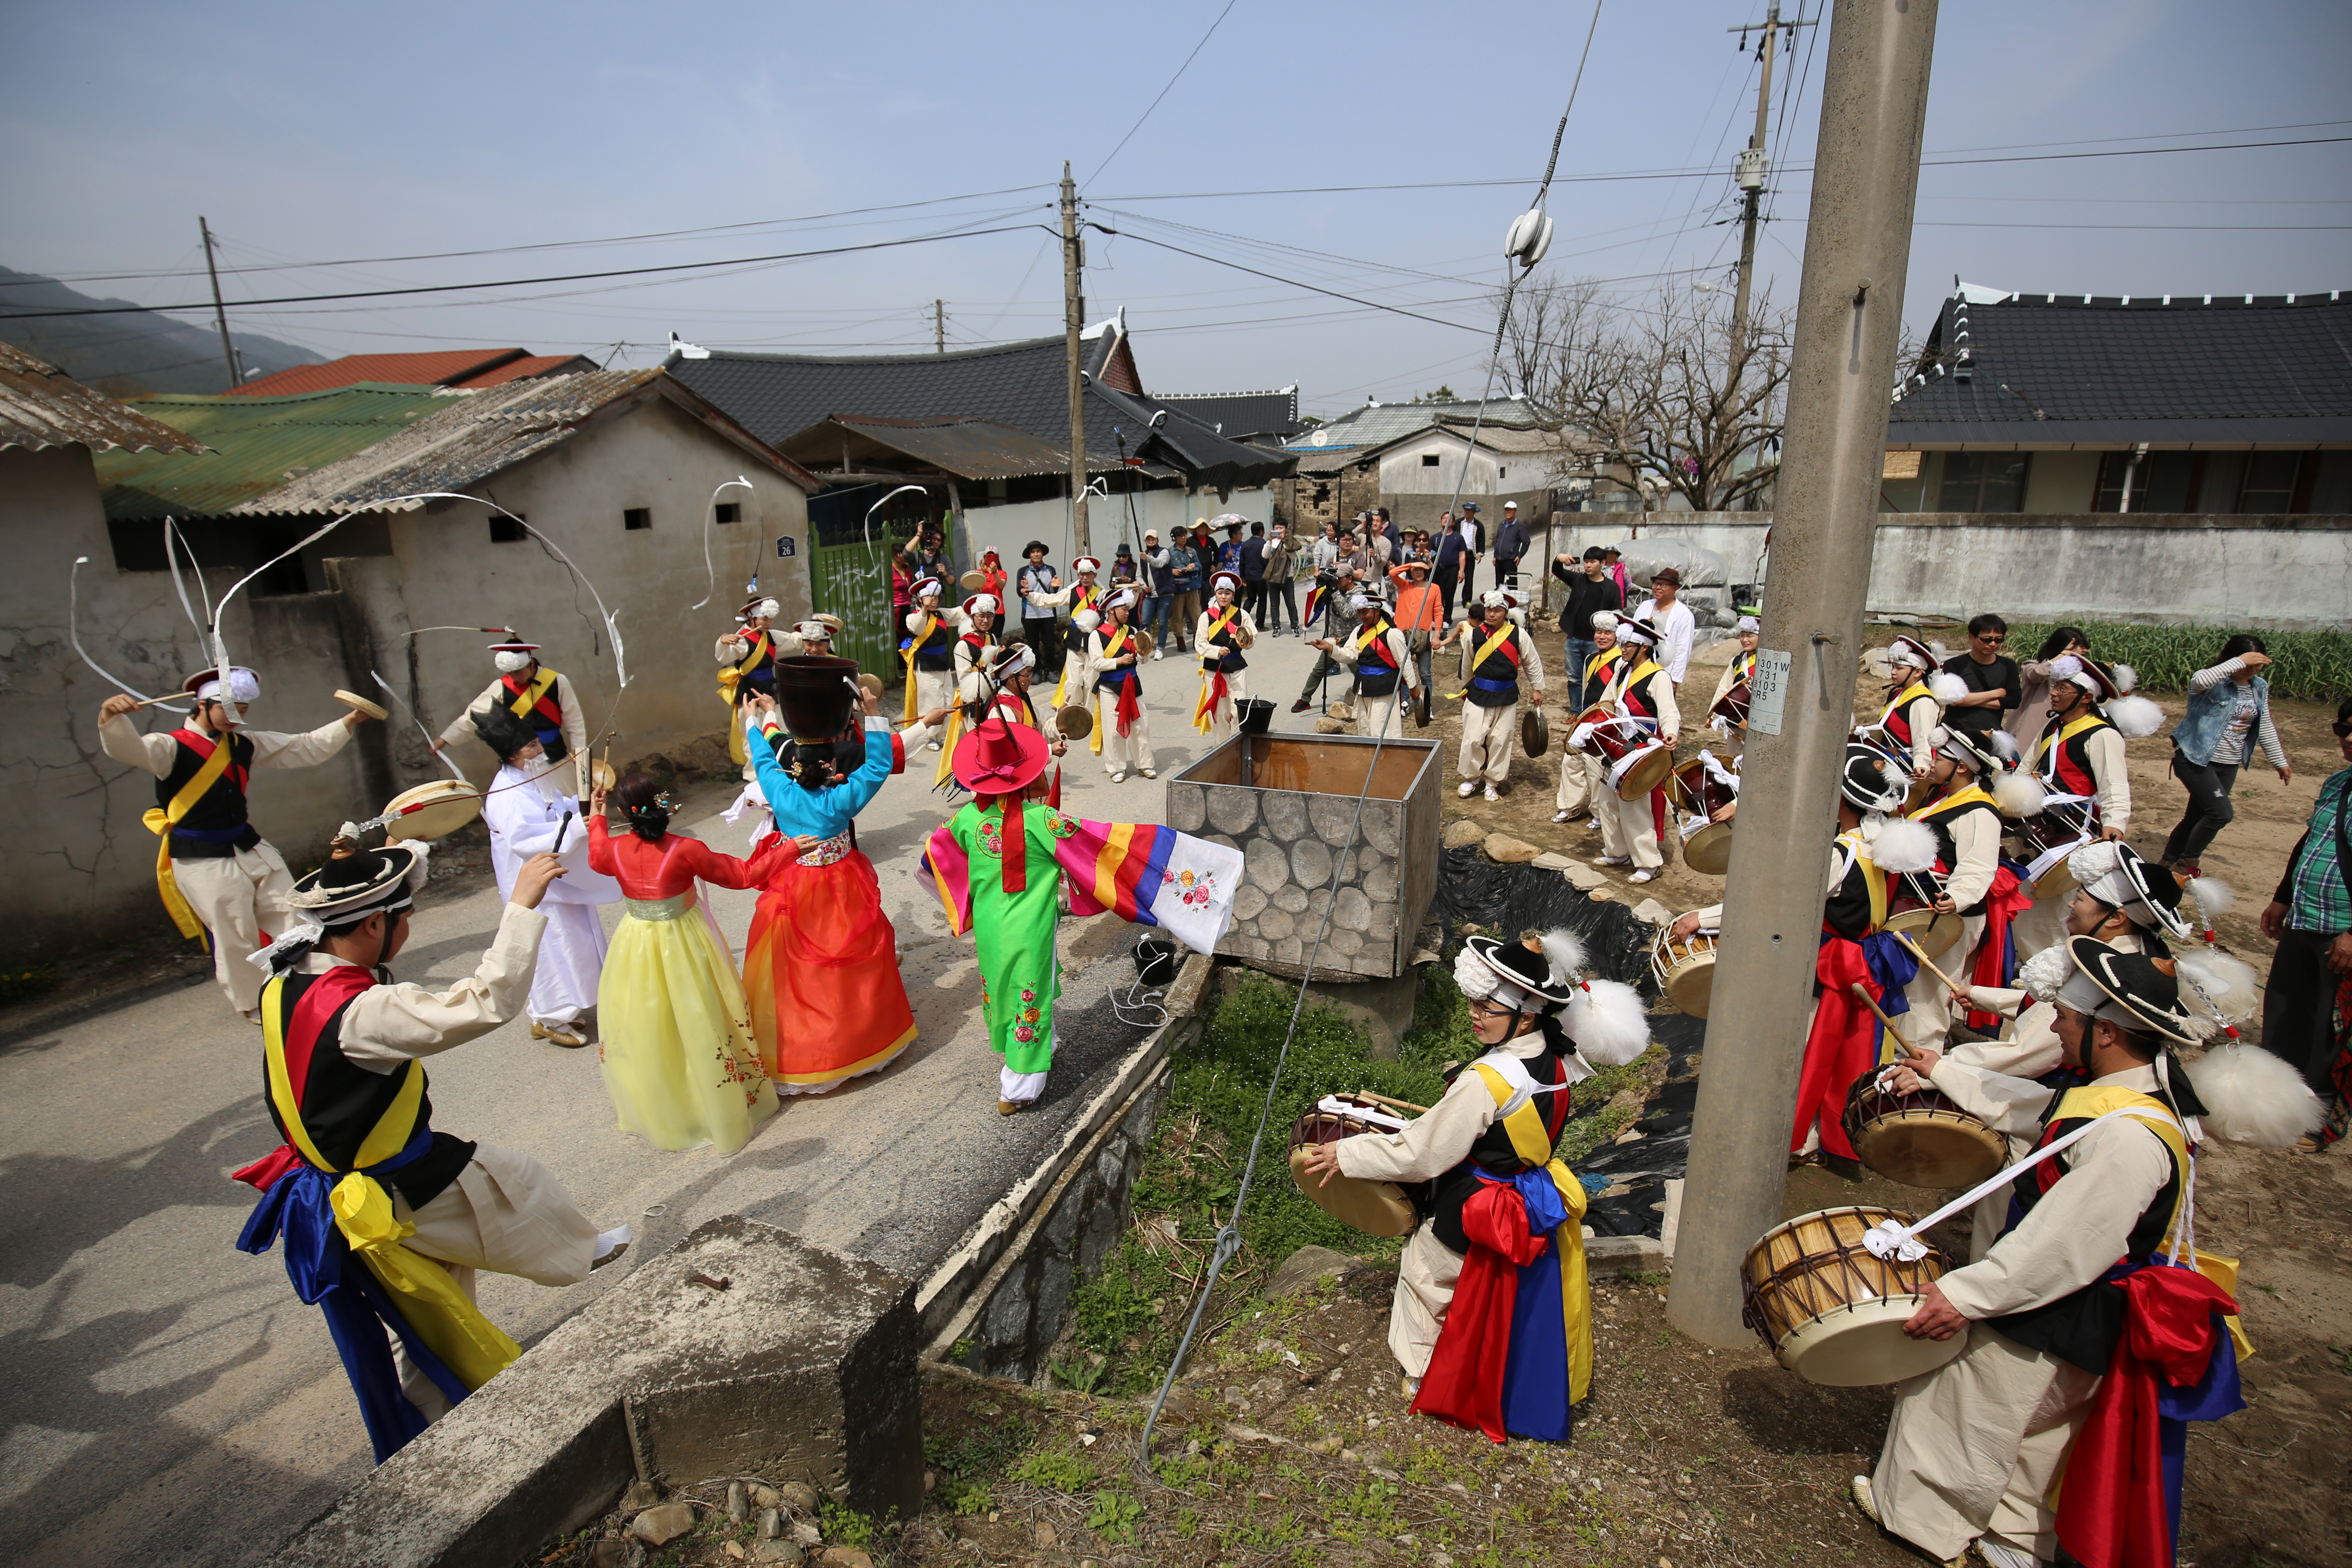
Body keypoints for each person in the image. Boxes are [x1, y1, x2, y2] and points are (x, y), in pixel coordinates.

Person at [1855, 939, 2278, 1568]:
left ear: (2106, 1032)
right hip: (2078, 1308)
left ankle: (1922, 1523)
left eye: (2068, 1020)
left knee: (1958, 1401)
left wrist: (1967, 1297)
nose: (2053, 1023)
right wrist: (1942, 1070)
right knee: (2038, 1435)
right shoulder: (2122, 1095)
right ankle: (2016, 1539)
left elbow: (2068, 1242)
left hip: (2062, 1306)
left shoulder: (2130, 1139)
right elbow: (2047, 1112)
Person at [232, 833, 628, 1461]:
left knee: (428, 1314)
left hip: (340, 1179)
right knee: (505, 1182)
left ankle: (436, 1433)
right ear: (369, 927)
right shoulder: (362, 1012)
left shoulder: (285, 979)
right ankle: (573, 1252)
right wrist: (523, 904)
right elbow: (484, 1001)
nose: (411, 925)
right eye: (403, 917)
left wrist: (378, 850)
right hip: (386, 1185)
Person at [1298, 930, 1648, 1425]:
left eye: (1488, 1006)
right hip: (1525, 1194)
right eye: (1473, 1002)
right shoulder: (1558, 1058)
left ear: (1525, 1013)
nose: (1474, 1014)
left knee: (1426, 1278)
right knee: (1480, 1286)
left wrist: (1347, 1155)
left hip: (1472, 1199)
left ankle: (1423, 1374)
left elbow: (1421, 1154)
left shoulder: (1488, 1079)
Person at [1676, 744, 1919, 1172]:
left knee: (1802, 1054)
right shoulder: (1889, 843)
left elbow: (1779, 905)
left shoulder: (1840, 854)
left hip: (1828, 964)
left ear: (1841, 799)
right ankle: (1819, 1134)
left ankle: (1790, 1137)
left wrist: (1704, 918)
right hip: (1865, 958)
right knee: (1838, 1053)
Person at [99, 669, 370, 1023]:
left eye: (241, 709)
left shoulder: (244, 744)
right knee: (233, 932)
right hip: (201, 856)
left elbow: (303, 747)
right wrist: (110, 716)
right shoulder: (169, 747)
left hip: (247, 844)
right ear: (202, 705)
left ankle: (308, 982)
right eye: (229, 708)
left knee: (294, 912)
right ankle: (256, 1003)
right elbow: (128, 748)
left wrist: (350, 720)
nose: (236, 717)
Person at [741, 681, 948, 1097]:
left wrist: (754, 718)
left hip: (795, 881)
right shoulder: (841, 801)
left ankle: (806, 1051)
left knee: (797, 968)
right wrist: (872, 711)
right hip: (841, 880)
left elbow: (764, 756)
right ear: (832, 773)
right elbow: (876, 765)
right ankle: (863, 1042)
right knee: (856, 956)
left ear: (793, 771)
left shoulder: (780, 792)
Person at [587, 772, 795, 1156]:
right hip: (682, 941)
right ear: (665, 806)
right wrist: (789, 848)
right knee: (701, 1015)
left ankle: (666, 1108)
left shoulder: (612, 851)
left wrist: (597, 816)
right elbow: (743, 875)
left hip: (635, 942)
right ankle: (718, 1105)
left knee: (649, 1023)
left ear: (624, 813)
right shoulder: (686, 849)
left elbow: (596, 852)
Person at [470, 707, 618, 1049]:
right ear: (513, 753)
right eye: (532, 746)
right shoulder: (506, 792)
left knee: (577, 935)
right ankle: (549, 1016)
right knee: (554, 945)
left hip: (556, 873)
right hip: (534, 879)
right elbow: (524, 840)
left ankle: (570, 1004)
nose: (540, 751)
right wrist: (576, 828)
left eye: (538, 743)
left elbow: (553, 809)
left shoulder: (527, 778)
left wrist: (582, 807)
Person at [1894, 727, 2025, 1055]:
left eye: (1940, 758)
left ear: (1962, 766)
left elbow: (1979, 866)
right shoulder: (1948, 796)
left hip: (1950, 915)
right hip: (1927, 909)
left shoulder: (1980, 811)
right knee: (1914, 988)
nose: (1933, 763)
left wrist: (1957, 897)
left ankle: (1922, 1059)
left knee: (1929, 995)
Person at [2258, 695, 2352, 1139]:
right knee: (2286, 1008)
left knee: (2328, 1024)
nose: (2347, 740)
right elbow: (2310, 840)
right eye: (2342, 730)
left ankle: (2316, 1109)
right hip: (2305, 915)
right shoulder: (2338, 782)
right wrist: (2281, 897)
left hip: (2341, 929)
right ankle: (2276, 1095)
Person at [2163, 634, 2291, 874]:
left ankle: (2168, 860)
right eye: (2249, 665)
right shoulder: (2212, 682)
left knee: (2196, 816)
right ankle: (2186, 863)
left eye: (2259, 666)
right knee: (2221, 813)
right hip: (2196, 759)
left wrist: (2280, 762)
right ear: (2235, 660)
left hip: (2229, 763)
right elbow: (2199, 680)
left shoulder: (2259, 687)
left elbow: (2264, 725)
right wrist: (2239, 662)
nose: (2253, 670)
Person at [1586, 614, 1680, 885]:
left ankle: (1649, 863)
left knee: (1635, 806)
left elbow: (1668, 711)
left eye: (1628, 645)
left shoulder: (1659, 676)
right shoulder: (1622, 671)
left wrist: (1671, 733)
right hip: (1618, 744)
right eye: (1624, 644)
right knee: (1608, 801)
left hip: (1641, 747)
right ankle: (1617, 852)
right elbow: (1607, 702)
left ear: (1644, 648)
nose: (1623, 649)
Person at [437, 631, 589, 773]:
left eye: (518, 672)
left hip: (555, 754)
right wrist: (444, 739)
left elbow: (574, 719)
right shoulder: (502, 686)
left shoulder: (557, 681)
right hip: (522, 760)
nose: (514, 677)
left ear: (531, 664)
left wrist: (579, 752)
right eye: (510, 673)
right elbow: (475, 715)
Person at [1445, 590, 1546, 801]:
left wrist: (1537, 688)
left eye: (1497, 611)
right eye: (1489, 610)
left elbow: (1532, 662)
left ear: (1505, 613)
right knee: (1473, 738)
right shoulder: (1474, 635)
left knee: (1500, 740)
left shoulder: (1519, 635)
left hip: (1506, 694)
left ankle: (1492, 781)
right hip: (1478, 692)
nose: (1492, 614)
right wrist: (1466, 689)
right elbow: (1467, 665)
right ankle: (1471, 778)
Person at [1315, 591, 1420, 739]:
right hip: (1364, 687)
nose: (1362, 617)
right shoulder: (1359, 631)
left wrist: (1413, 687)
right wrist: (1331, 648)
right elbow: (1350, 654)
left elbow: (1404, 662)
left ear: (1377, 611)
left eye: (1366, 612)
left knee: (1382, 731)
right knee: (1365, 731)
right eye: (1359, 613)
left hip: (1384, 688)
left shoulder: (1392, 633)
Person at [1552, 612, 1624, 825]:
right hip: (1586, 719)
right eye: (1599, 632)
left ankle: (1598, 813)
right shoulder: (1590, 658)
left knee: (1596, 769)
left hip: (1605, 721)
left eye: (1608, 633)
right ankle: (1569, 806)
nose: (1602, 637)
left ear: (1616, 636)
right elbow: (1585, 689)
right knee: (1571, 761)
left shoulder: (1621, 661)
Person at [1866, 635, 1962, 781]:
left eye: (1899, 668)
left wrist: (1921, 765)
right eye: (1893, 667)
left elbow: (1924, 737)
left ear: (1917, 672)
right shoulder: (1898, 692)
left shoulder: (1923, 700)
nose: (1893, 672)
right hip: (1888, 756)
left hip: (1904, 765)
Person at [1086, 588, 1155, 781]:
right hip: (1110, 687)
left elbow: (1142, 660)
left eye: (1128, 609)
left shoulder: (1132, 632)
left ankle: (1145, 764)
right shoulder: (1096, 636)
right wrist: (1118, 662)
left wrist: (1145, 649)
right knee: (1113, 729)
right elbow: (1097, 664)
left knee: (1141, 726)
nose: (1128, 613)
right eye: (1124, 609)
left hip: (1133, 684)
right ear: (1111, 611)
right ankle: (1116, 768)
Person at [1289, 563, 1367, 714]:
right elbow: (1318, 608)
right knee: (1318, 671)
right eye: (1334, 579)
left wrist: (1334, 591)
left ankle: (1369, 697)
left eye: (1339, 578)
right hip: (1334, 639)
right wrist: (1323, 591)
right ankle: (1305, 699)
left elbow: (1348, 613)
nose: (1336, 581)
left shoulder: (1359, 592)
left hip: (1351, 641)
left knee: (1361, 672)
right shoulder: (1335, 590)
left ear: (1350, 578)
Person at [1549, 546, 1622, 702]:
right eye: (1586, 562)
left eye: (1593, 562)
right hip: (1574, 639)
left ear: (1603, 562)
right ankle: (1576, 712)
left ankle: (1591, 711)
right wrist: (1558, 559)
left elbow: (1618, 616)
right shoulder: (1578, 580)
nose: (1588, 566)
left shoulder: (1612, 588)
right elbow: (1558, 571)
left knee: (1595, 678)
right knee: (1575, 679)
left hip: (1596, 642)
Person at [1193, 571, 1258, 743]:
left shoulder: (1242, 615)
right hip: (1214, 669)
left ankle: (1239, 743)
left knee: (1239, 708)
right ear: (1215, 594)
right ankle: (1222, 746)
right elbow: (1199, 644)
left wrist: (1246, 642)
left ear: (1233, 595)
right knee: (1219, 713)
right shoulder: (1206, 617)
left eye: (1227, 593)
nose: (1224, 597)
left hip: (1236, 666)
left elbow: (1252, 637)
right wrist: (1216, 651)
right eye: (1220, 593)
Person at [900, 576, 965, 744]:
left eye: (936, 597)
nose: (933, 601)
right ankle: (929, 737)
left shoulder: (940, 614)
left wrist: (976, 598)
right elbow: (917, 628)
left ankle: (942, 735)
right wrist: (924, 610)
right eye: (929, 597)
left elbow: (960, 614)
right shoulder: (913, 616)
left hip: (942, 663)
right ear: (920, 599)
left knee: (947, 700)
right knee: (931, 701)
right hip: (925, 664)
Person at [1938, 614, 2020, 739]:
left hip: (1989, 734)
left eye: (1999, 640)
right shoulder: (1954, 665)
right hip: (1956, 732)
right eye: (1987, 639)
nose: (1993, 644)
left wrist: (1967, 700)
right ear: (1972, 637)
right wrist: (1998, 693)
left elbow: (2014, 701)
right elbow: (1954, 700)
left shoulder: (2008, 666)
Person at [2008, 626, 2088, 754]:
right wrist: (2063, 655)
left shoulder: (2076, 676)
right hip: (2029, 729)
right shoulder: (2032, 666)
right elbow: (2037, 674)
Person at [1389, 555, 1447, 705]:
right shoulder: (1405, 585)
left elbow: (1438, 612)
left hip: (1423, 636)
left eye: (1422, 570)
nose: (1419, 572)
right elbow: (1392, 574)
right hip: (1403, 634)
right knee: (1404, 671)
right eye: (1416, 570)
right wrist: (1410, 564)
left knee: (1425, 673)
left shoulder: (1434, 589)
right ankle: (1405, 702)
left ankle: (1426, 705)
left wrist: (1437, 635)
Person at [1633, 568, 1698, 688]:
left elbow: (1683, 648)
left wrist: (1675, 679)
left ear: (1675, 588)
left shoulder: (1684, 615)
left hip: (1664, 670)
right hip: (1639, 667)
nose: (1657, 588)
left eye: (1663, 585)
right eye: (1655, 584)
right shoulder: (1645, 607)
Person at [1015, 542, 1063, 679]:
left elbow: (1052, 591)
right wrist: (1023, 590)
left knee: (1049, 644)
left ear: (1042, 554)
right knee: (1032, 645)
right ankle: (1035, 672)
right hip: (1029, 613)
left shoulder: (1050, 570)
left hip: (1047, 612)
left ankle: (1050, 671)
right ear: (1029, 555)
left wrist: (1055, 587)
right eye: (1033, 552)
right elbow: (1019, 591)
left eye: (1038, 551)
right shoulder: (1023, 571)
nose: (1036, 554)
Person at [1707, 616, 1760, 735]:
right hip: (1737, 720)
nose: (1745, 640)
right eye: (1742, 635)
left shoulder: (1767, 662)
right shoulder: (1737, 661)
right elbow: (1724, 688)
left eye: (1750, 636)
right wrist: (1713, 713)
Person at [1166, 528, 1204, 653]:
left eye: (1184, 535)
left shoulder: (1191, 551)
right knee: (1177, 615)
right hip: (1178, 587)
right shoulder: (1170, 552)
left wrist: (1193, 566)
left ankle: (1197, 637)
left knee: (1197, 614)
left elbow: (1199, 565)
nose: (1183, 538)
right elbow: (1164, 569)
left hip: (1192, 585)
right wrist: (1172, 571)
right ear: (1174, 538)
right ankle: (1180, 638)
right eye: (1180, 536)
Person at [1432, 514, 1469, 626]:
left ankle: (1447, 619)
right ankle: (1436, 618)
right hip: (1437, 571)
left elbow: (1462, 555)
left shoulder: (1458, 538)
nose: (1445, 520)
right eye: (1443, 518)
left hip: (1452, 570)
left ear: (1453, 523)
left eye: (1449, 519)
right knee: (1437, 596)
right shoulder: (1435, 538)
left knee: (1449, 596)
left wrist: (1461, 572)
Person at [1261, 521, 1297, 634]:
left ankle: (1295, 626)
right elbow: (1265, 555)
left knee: (1291, 603)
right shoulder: (1272, 542)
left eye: (1281, 528)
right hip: (1272, 577)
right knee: (1274, 604)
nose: (1279, 530)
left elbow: (1292, 557)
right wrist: (1270, 541)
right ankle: (1276, 626)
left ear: (1286, 529)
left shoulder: (1291, 541)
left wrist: (1284, 542)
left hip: (1288, 577)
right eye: (1276, 528)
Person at [1490, 500, 1528, 592]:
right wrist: (1495, 556)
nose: (1508, 512)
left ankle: (1513, 604)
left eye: (1511, 510)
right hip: (1499, 560)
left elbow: (1527, 542)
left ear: (1515, 512)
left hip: (1510, 560)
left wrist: (1520, 556)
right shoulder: (1502, 525)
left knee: (1512, 585)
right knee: (1499, 585)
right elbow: (1498, 541)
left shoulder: (1519, 526)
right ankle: (1500, 603)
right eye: (1507, 510)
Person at [1456, 503, 1485, 604]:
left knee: (1469, 579)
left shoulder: (1478, 525)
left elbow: (1481, 541)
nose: (1468, 512)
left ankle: (1467, 601)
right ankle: (1448, 600)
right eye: (1466, 510)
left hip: (1470, 554)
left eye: (1470, 511)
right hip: (1458, 553)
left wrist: (1480, 554)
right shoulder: (1458, 523)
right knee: (1453, 576)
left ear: (1474, 512)